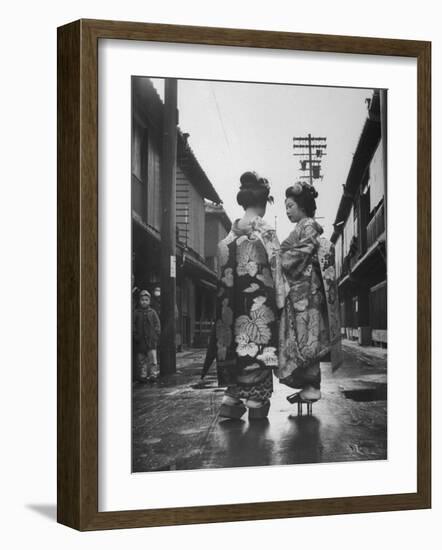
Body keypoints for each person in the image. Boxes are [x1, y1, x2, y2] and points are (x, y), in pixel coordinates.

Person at [215, 171, 285, 420]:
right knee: (259, 350)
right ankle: (255, 403)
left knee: (237, 350)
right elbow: (278, 272)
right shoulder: (266, 233)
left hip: (232, 310)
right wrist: (281, 303)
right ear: (264, 202)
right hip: (259, 309)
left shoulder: (228, 237)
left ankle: (231, 400)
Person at [277, 182, 341, 413]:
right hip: (300, 293)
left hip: (307, 294)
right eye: (285, 207)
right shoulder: (303, 227)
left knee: (307, 339)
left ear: (302, 206)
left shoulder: (309, 227)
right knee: (302, 339)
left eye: (291, 206)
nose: (287, 211)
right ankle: (308, 385)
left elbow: (299, 253)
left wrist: (281, 257)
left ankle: (312, 386)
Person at [133, 290, 161, 383]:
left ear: (149, 301)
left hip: (151, 340)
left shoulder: (152, 312)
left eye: (146, 300)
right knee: (142, 360)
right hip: (140, 340)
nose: (144, 302)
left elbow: (157, 324)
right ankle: (143, 375)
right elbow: (133, 324)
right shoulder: (136, 312)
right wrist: (135, 335)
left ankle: (153, 374)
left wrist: (156, 334)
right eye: (142, 300)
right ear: (139, 301)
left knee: (153, 359)